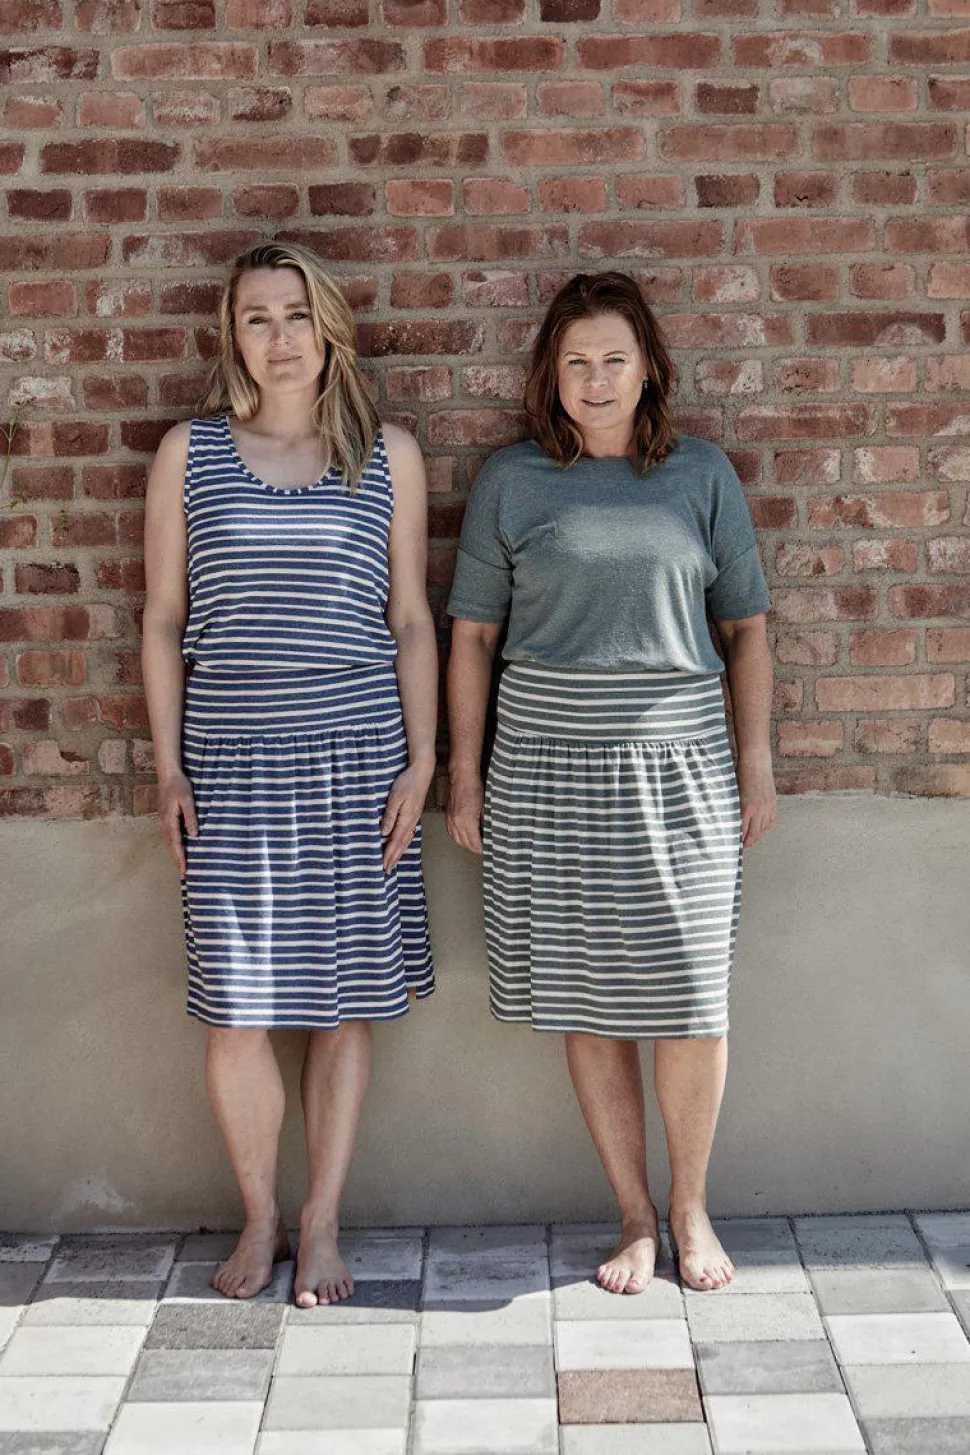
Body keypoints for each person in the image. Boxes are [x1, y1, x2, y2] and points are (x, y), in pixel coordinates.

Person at [446, 271, 775, 1294]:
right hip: (545, 773)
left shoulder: (701, 475)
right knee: (587, 999)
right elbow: (472, 639)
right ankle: (633, 1213)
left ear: (648, 369)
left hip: (683, 773)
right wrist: (466, 774)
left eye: (614, 359)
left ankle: (690, 1206)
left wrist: (756, 763)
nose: (595, 379)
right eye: (576, 361)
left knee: (691, 998)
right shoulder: (512, 482)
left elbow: (746, 628)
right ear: (550, 373)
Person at [142, 241, 436, 1305]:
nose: (279, 338)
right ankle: (261, 1213)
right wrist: (169, 768)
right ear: (233, 336)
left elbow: (411, 620)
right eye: (257, 318)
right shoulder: (189, 454)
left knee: (343, 1005)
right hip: (229, 767)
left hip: (358, 760)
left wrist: (424, 760)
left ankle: (321, 1224)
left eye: (297, 314)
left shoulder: (387, 454)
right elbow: (163, 620)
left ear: (329, 330)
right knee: (237, 1009)